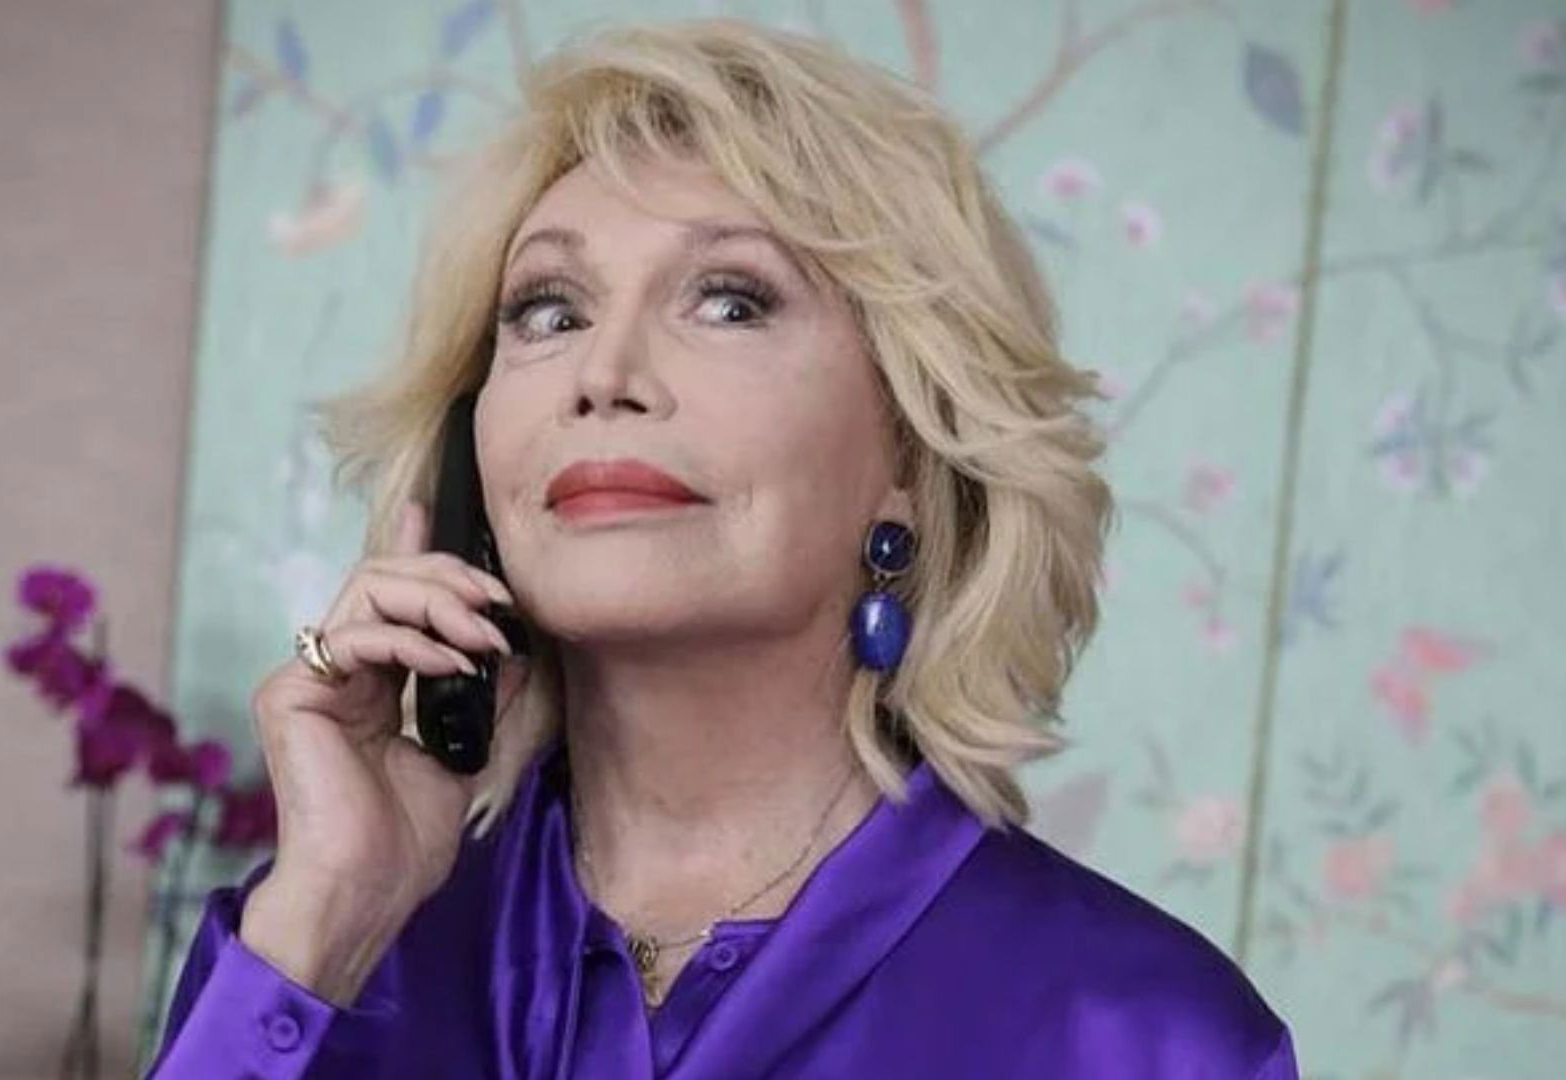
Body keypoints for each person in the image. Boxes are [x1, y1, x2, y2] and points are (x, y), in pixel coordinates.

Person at [146, 17, 1298, 1079]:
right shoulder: (307, 960)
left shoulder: (1146, 1036)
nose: (604, 373)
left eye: (730, 301)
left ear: (912, 446)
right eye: (549, 310)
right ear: (470, 458)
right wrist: (325, 921)